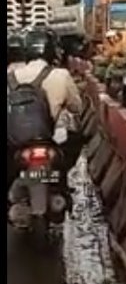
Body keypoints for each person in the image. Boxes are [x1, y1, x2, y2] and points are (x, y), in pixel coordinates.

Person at [7, 27, 84, 189]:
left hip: (16, 144)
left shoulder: (10, 76)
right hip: (50, 142)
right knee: (77, 138)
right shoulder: (61, 75)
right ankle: (62, 182)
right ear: (51, 51)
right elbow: (76, 107)